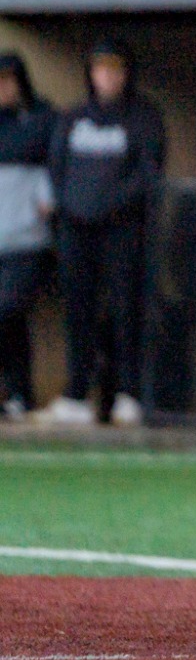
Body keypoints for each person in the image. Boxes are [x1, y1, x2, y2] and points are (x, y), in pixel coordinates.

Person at [37, 40, 164, 427]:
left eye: (114, 70)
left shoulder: (143, 117)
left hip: (122, 231)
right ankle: (78, 394)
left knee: (126, 310)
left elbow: (148, 173)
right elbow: (57, 168)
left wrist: (108, 205)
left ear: (126, 74)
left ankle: (129, 394)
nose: (107, 77)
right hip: (77, 231)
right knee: (79, 312)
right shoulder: (73, 118)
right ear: (90, 74)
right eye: (99, 70)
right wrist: (70, 207)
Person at [0, 54, 52, 420]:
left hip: (25, 240)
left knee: (8, 309)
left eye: (8, 80)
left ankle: (20, 391)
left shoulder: (41, 120)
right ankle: (15, 392)